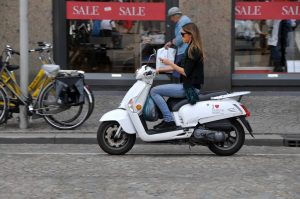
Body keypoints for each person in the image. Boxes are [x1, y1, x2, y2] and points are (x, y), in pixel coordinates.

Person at [150, 23, 204, 130]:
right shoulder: (190, 48)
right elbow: (177, 67)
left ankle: (168, 120)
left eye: (183, 34)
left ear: (191, 35)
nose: (181, 37)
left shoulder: (193, 50)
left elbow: (185, 72)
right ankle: (168, 119)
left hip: (190, 88)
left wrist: (169, 63)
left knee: (154, 91)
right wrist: (157, 70)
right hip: (187, 85)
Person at [164, 7, 192, 81]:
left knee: (182, 73)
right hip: (186, 50)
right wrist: (172, 42)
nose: (171, 19)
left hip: (184, 51)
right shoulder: (184, 20)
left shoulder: (182, 22)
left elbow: (180, 39)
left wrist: (173, 42)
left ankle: (184, 90)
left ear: (176, 15)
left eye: (171, 17)